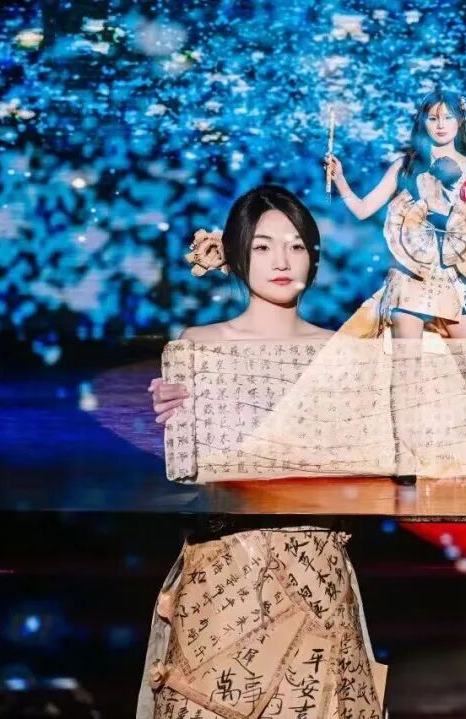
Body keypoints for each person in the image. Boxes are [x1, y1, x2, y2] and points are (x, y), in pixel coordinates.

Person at [140, 185, 384, 718]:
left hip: (314, 566)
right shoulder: (199, 345)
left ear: (313, 257)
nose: (282, 261)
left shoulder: (340, 352)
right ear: (235, 254)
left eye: (296, 246)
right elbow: (191, 468)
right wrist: (174, 415)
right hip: (225, 569)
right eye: (263, 246)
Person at [325, 90, 466, 485]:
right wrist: (340, 180)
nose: (441, 125)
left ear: (460, 121)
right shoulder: (407, 165)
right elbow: (364, 208)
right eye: (433, 117)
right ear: (423, 121)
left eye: (448, 117)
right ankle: (405, 459)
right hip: (410, 278)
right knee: (406, 368)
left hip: (454, 280)